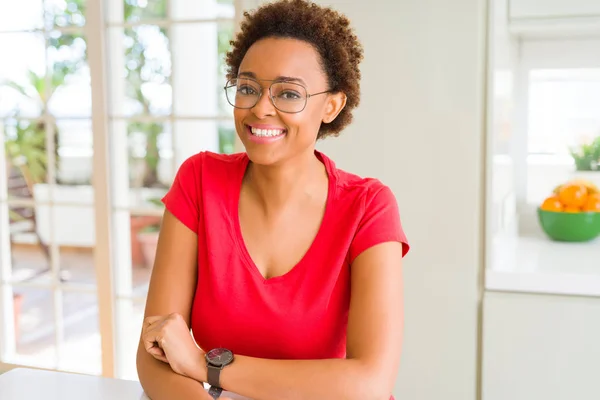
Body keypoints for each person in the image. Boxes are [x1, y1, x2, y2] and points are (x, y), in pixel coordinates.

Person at [136, 1, 410, 399]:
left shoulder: (368, 207)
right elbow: (155, 350)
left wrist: (204, 364)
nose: (260, 108)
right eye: (248, 88)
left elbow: (369, 383)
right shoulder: (199, 181)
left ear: (331, 105)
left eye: (288, 93)